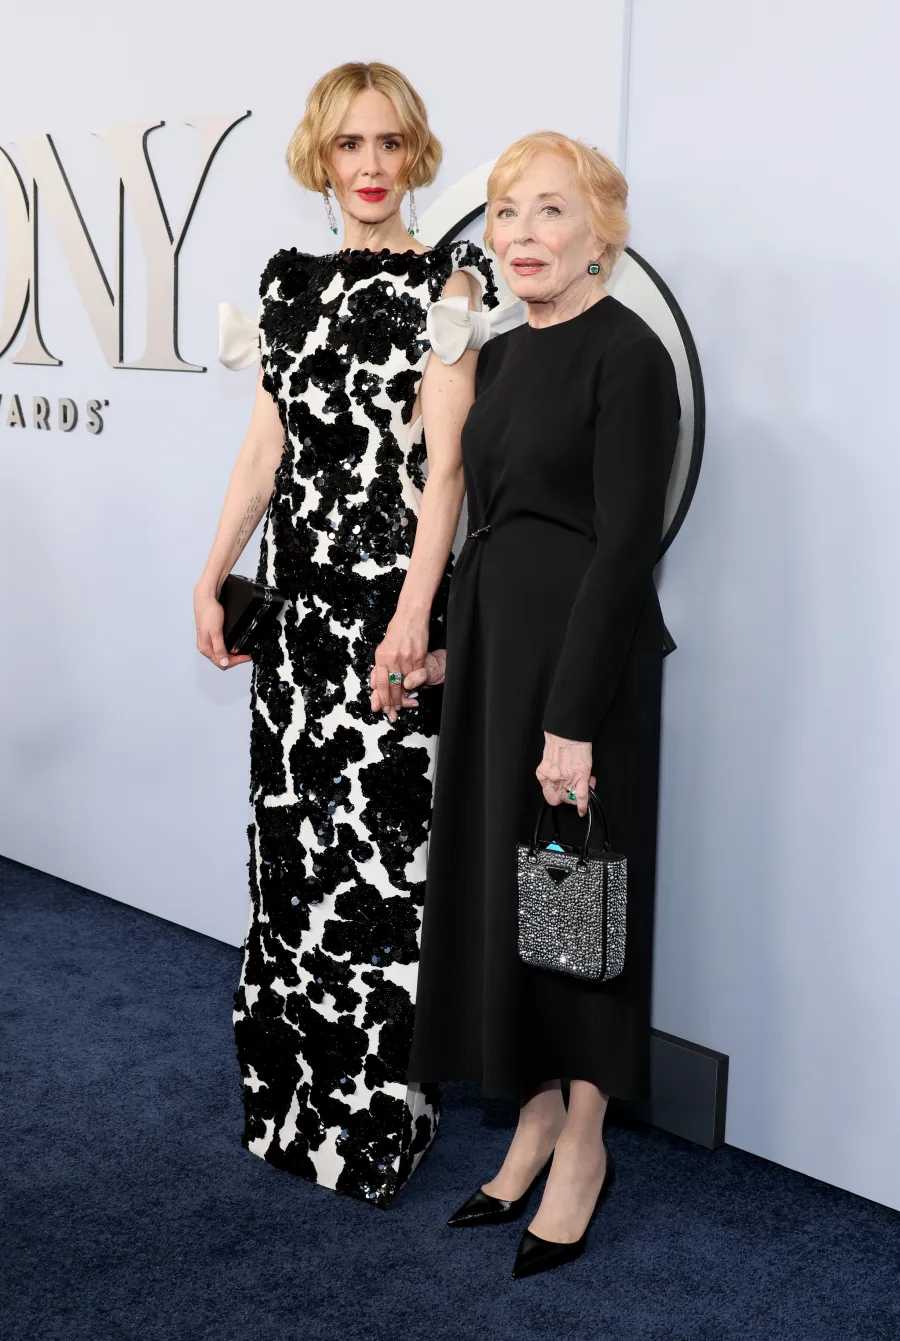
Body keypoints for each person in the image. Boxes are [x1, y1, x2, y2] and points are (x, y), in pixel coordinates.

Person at [193, 61, 497, 1207]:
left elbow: (447, 467)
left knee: (382, 869)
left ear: (414, 155)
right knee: (292, 860)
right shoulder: (285, 284)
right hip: (296, 618)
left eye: (387, 145)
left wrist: (417, 613)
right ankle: (285, 1107)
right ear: (321, 160)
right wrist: (214, 570)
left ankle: (372, 1130)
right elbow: (266, 450)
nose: (369, 167)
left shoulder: (454, 281)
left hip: (389, 623)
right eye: (348, 147)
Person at [407, 131, 681, 1274]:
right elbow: (483, 520)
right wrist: (445, 645)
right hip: (495, 657)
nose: (522, 234)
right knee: (505, 897)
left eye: (551, 212)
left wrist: (571, 717)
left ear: (600, 237)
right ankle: (526, 1112)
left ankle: (583, 1141)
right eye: (507, 212)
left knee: (575, 904)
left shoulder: (632, 357)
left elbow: (622, 552)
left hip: (587, 669)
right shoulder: (506, 357)